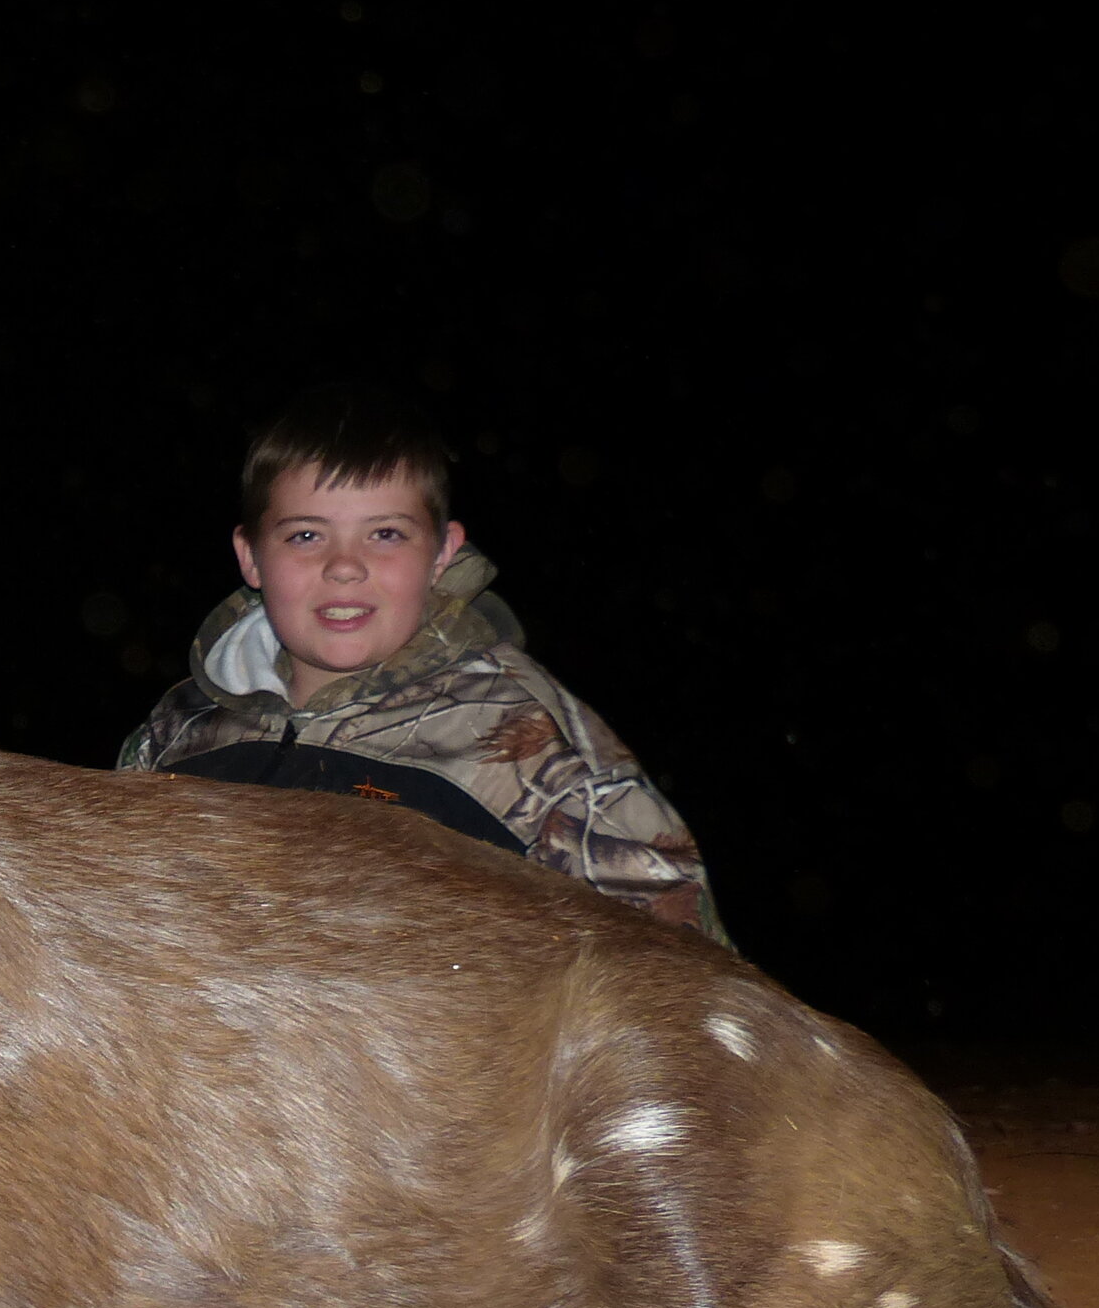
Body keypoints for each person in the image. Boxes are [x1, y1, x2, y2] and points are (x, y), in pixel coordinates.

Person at [118, 385, 728, 942]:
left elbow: (680, 977)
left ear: (442, 554)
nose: (344, 565)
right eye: (306, 535)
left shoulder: (532, 737)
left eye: (385, 534)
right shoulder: (176, 736)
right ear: (250, 557)